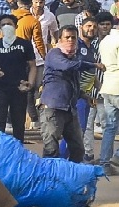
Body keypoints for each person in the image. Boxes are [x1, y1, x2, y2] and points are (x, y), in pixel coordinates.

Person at [38, 24, 105, 162]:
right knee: (51, 150)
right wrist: (93, 64)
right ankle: (49, 180)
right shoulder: (54, 54)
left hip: (69, 109)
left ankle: (69, 179)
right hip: (53, 108)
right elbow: (67, 66)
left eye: (73, 38)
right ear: (60, 39)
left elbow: (72, 83)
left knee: (78, 149)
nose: (70, 40)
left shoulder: (74, 57)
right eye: (67, 37)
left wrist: (84, 95)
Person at [0, 14, 37, 143]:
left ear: (16, 26)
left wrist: (30, 83)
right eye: (3, 25)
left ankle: (18, 153)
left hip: (19, 88)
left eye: (9, 24)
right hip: (0, 89)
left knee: (19, 124)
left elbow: (33, 66)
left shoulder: (24, 44)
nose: (6, 27)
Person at [59, 17, 98, 159]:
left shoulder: (92, 48)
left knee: (79, 130)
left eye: (94, 26)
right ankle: (61, 160)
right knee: (74, 130)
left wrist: (96, 89)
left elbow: (91, 73)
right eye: (88, 26)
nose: (91, 29)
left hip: (87, 96)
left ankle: (71, 162)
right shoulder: (76, 46)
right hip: (76, 95)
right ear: (81, 27)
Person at [83, 12, 113, 163]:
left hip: (106, 91)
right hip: (89, 91)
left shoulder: (115, 43)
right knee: (86, 126)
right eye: (102, 24)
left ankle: (105, 159)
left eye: (107, 24)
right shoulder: (91, 44)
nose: (104, 27)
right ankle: (88, 154)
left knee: (108, 126)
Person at [27, 0, 58, 129]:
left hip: (41, 58)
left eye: (41, 2)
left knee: (40, 88)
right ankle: (33, 117)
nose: (39, 5)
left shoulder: (50, 16)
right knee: (29, 88)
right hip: (25, 58)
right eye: (36, 2)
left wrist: (54, 50)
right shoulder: (25, 15)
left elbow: (55, 33)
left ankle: (39, 117)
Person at [98, 24, 119, 174]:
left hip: (107, 86)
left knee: (110, 127)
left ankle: (105, 163)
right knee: (110, 126)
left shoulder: (105, 41)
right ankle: (117, 155)